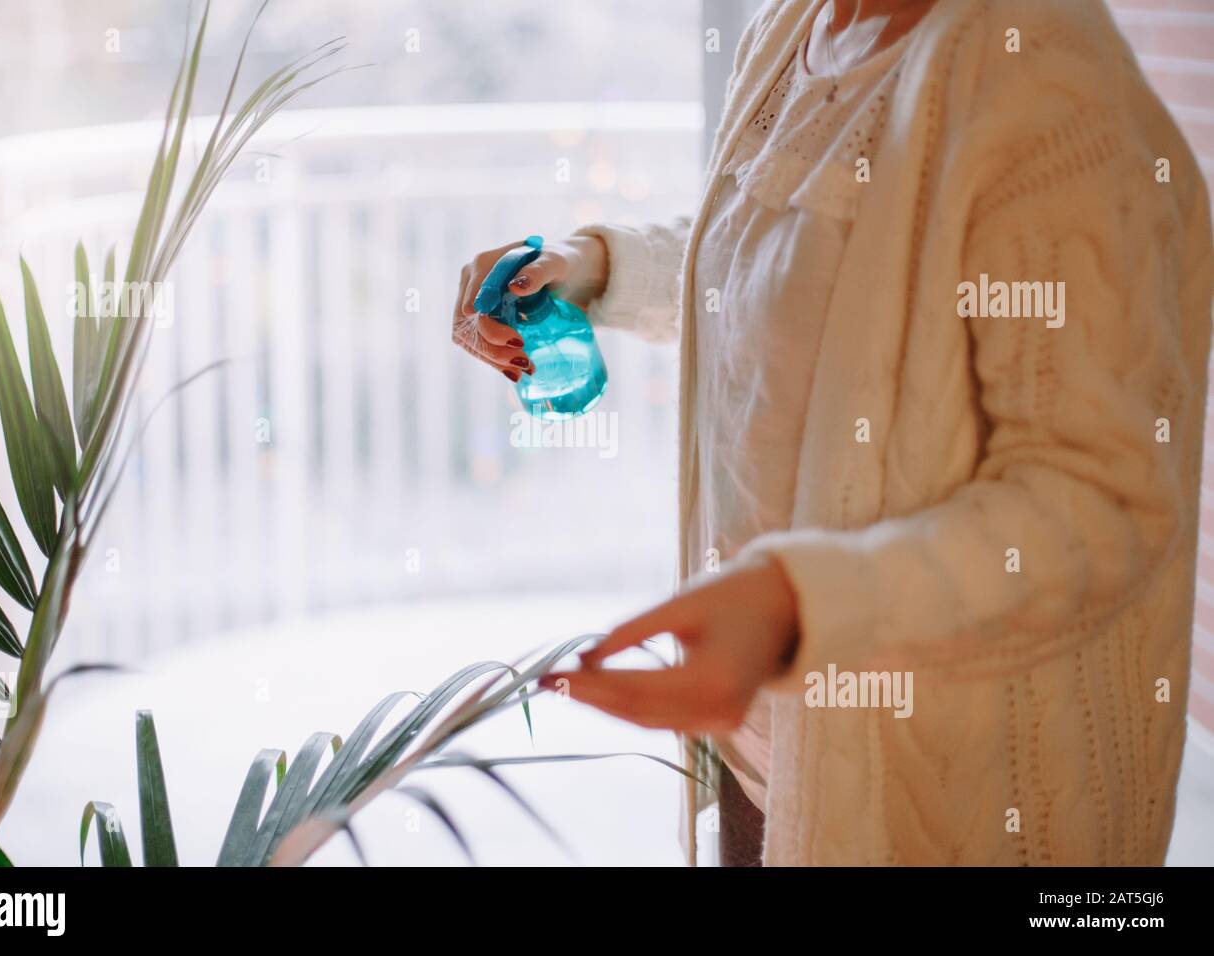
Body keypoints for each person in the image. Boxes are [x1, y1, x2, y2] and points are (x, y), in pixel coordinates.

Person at [451, 0, 1214, 866]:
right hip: (766, 756)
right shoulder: (793, 24)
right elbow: (778, 267)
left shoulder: (1041, 77)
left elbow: (1102, 506)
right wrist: (596, 266)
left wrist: (793, 605)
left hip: (936, 801)